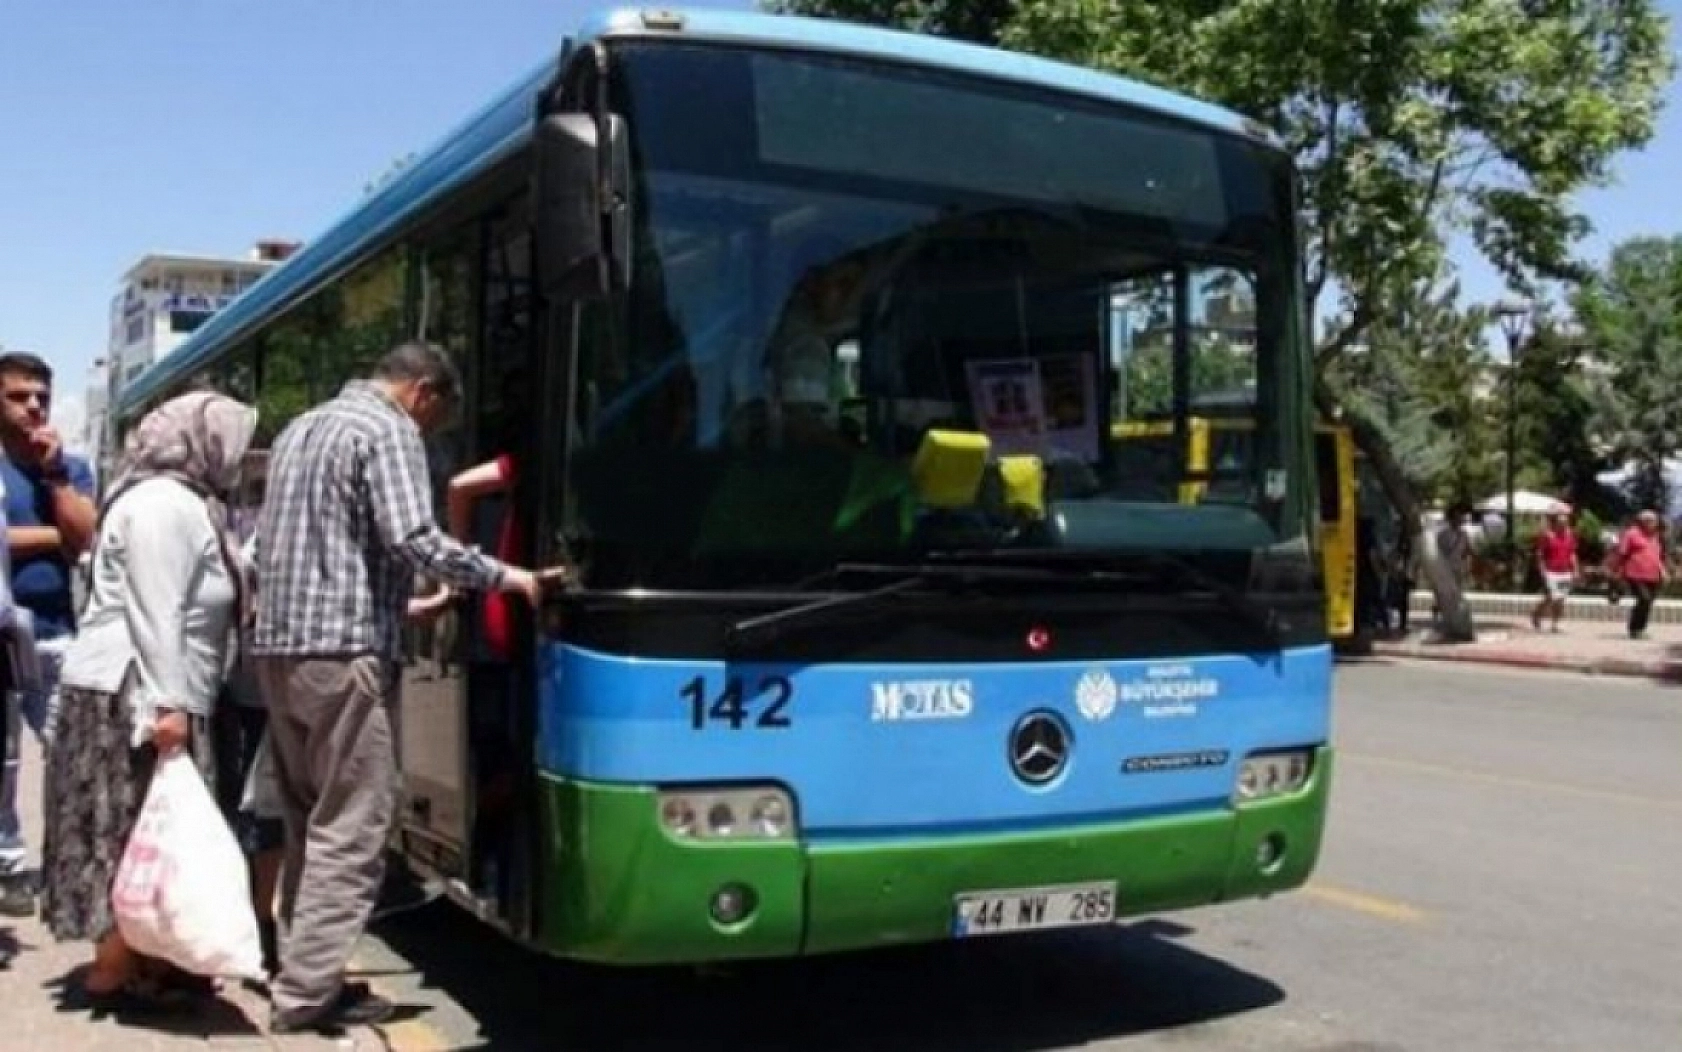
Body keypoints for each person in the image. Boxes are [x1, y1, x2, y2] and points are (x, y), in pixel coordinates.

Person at [250, 343, 558, 1035]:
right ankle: (305, 996)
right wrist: (513, 578)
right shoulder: (386, 429)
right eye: (439, 417)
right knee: (355, 825)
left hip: (280, 652)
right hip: (344, 653)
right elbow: (415, 539)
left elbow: (311, 547)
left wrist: (404, 608)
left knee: (310, 823)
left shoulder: (305, 426)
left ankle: (303, 967)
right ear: (423, 391)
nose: (432, 431)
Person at [40, 391, 258, 1011]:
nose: (237, 459)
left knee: (144, 827)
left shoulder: (185, 503)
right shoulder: (165, 505)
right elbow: (155, 611)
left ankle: (143, 959)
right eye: (231, 442)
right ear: (200, 441)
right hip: (134, 693)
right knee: (129, 825)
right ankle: (117, 965)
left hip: (149, 688)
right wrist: (168, 707)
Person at [0, 352, 97, 917]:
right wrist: (49, 538)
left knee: (72, 749)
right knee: (5, 760)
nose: (34, 406)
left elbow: (84, 537)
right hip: (3, 631)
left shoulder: (70, 467)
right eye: (18, 396)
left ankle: (67, 858)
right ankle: (9, 864)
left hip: (57, 630)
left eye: (40, 395)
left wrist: (56, 476)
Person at [1610, 509, 1667, 639]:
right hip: (1634, 573)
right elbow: (1622, 553)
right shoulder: (1631, 534)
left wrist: (1662, 570)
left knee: (1648, 602)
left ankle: (1640, 629)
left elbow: (1656, 556)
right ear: (1643, 522)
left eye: (1655, 521)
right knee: (1644, 599)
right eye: (1652, 521)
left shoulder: (1655, 536)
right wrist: (1617, 570)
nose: (1655, 524)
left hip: (1653, 575)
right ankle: (1634, 628)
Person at [1530, 507, 1578, 633]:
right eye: (1560, 523)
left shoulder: (1570, 535)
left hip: (1565, 571)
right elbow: (1540, 554)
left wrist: (1575, 569)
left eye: (1565, 523)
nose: (1563, 525)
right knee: (1552, 597)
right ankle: (1537, 613)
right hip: (1551, 571)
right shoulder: (1548, 536)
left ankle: (1555, 623)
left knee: (1561, 598)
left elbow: (1572, 553)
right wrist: (1542, 569)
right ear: (1555, 523)